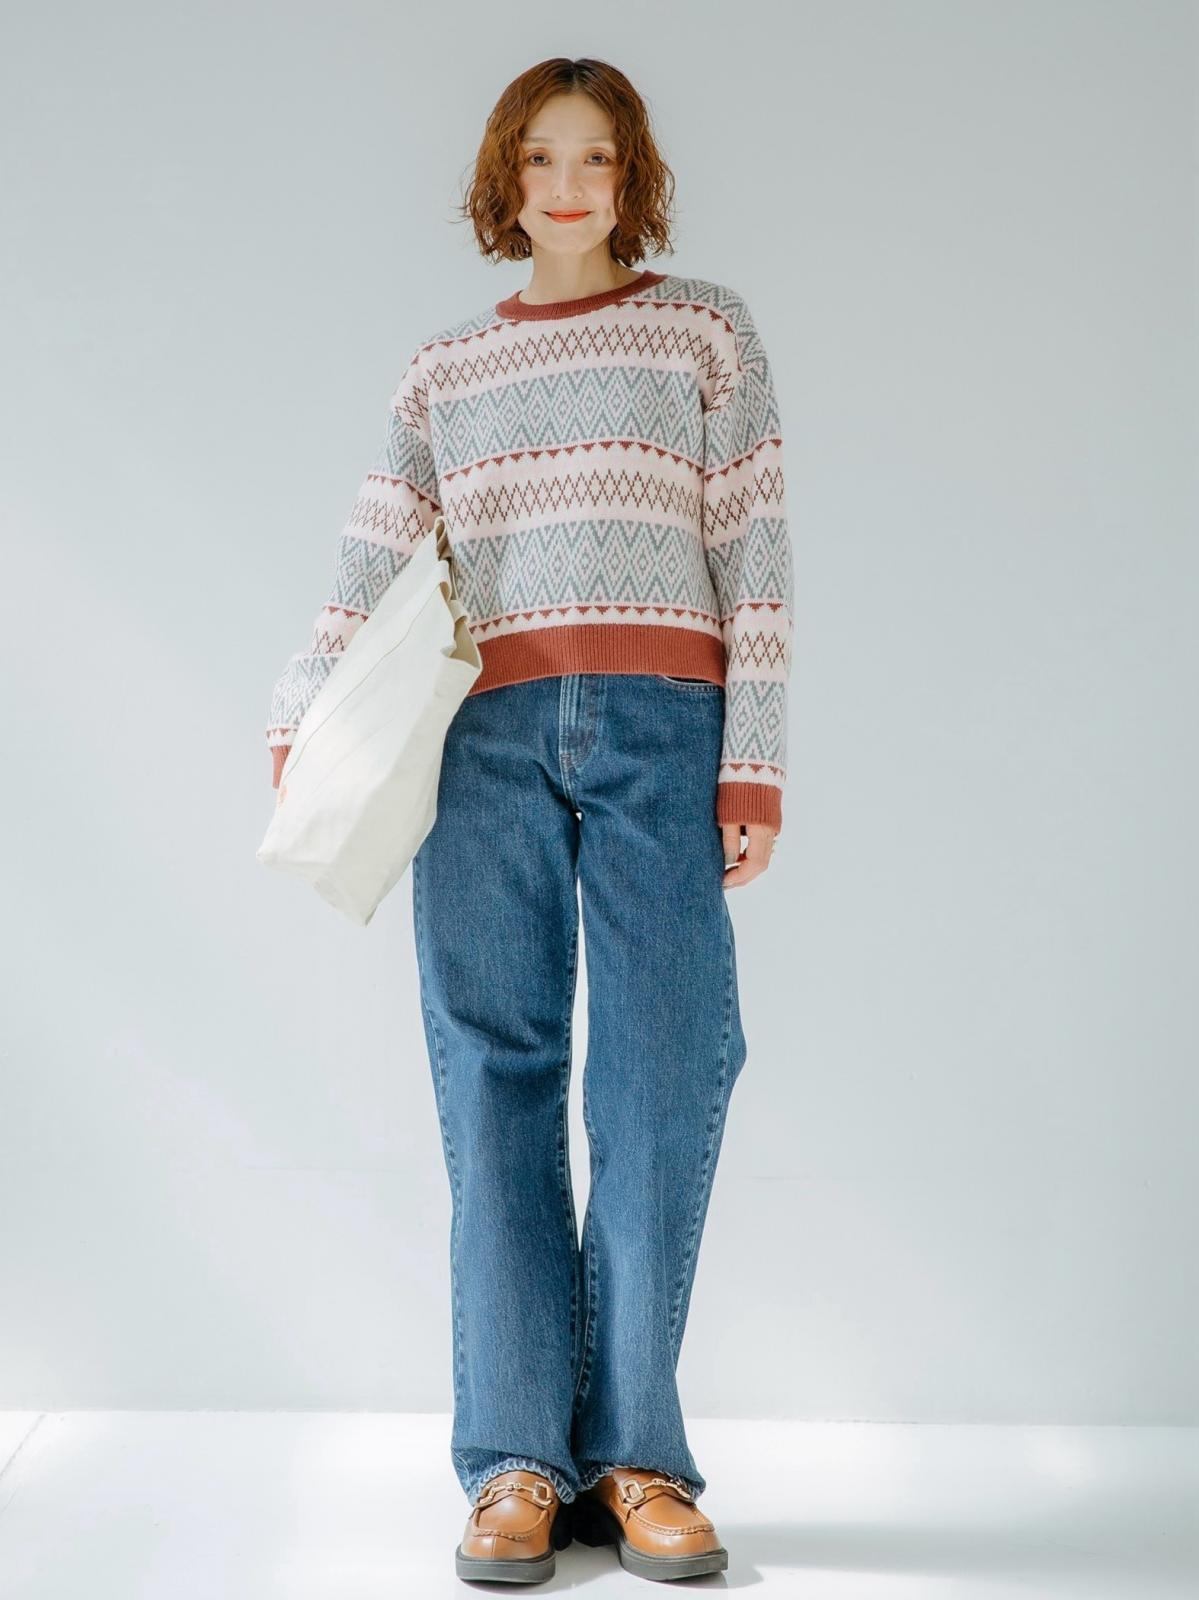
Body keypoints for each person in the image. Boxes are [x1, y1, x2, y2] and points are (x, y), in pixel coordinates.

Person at [264, 56, 794, 1586]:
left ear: (635, 179)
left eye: (597, 159)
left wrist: (752, 762)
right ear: (505, 180)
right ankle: (513, 1462)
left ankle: (635, 1459)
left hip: (663, 730)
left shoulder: (703, 331)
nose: (569, 187)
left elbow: (756, 548)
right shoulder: (444, 370)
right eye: (542, 160)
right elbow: (372, 551)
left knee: (660, 1076)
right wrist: (300, 713)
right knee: (496, 1081)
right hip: (481, 740)